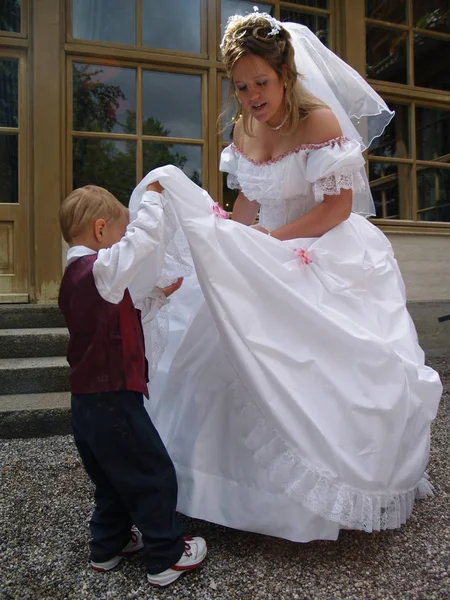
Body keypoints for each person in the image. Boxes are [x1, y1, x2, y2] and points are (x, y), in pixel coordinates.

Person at [128, 12, 442, 543]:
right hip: (267, 246)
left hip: (319, 246)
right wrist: (233, 238)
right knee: (215, 349)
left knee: (320, 371)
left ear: (286, 72)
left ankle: (307, 502)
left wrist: (273, 245)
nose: (252, 96)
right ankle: (211, 489)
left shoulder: (319, 122)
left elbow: (338, 206)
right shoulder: (244, 126)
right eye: (242, 86)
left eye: (262, 83)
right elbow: (250, 194)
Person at [58, 184, 207, 587]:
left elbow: (122, 316)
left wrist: (157, 294)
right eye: (119, 235)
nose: (124, 242)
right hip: (114, 401)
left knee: (111, 476)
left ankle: (107, 547)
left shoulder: (77, 278)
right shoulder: (101, 268)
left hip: (86, 405)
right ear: (101, 230)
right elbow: (142, 241)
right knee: (151, 472)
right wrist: (154, 199)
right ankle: (166, 555)